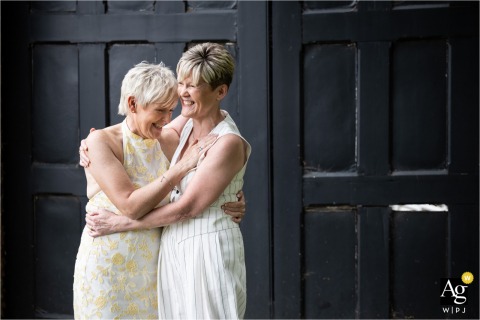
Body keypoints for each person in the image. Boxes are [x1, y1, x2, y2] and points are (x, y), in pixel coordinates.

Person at [86, 43, 250, 319]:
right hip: (171, 246)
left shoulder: (227, 142)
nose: (182, 93)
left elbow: (187, 208)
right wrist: (93, 142)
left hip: (207, 247)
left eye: (193, 86)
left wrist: (122, 222)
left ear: (220, 92)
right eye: (182, 83)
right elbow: (134, 130)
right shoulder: (183, 126)